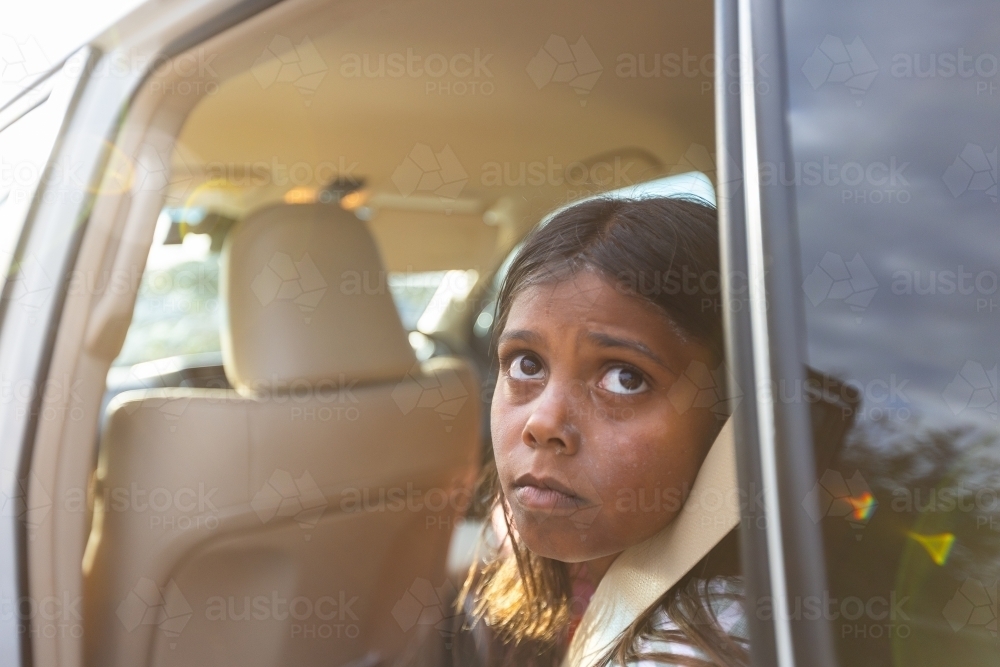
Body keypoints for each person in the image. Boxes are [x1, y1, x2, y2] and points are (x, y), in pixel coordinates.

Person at [455, 196, 749, 666]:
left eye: (624, 378)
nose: (542, 423)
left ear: (729, 417)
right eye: (527, 364)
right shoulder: (576, 559)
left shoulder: (702, 639)